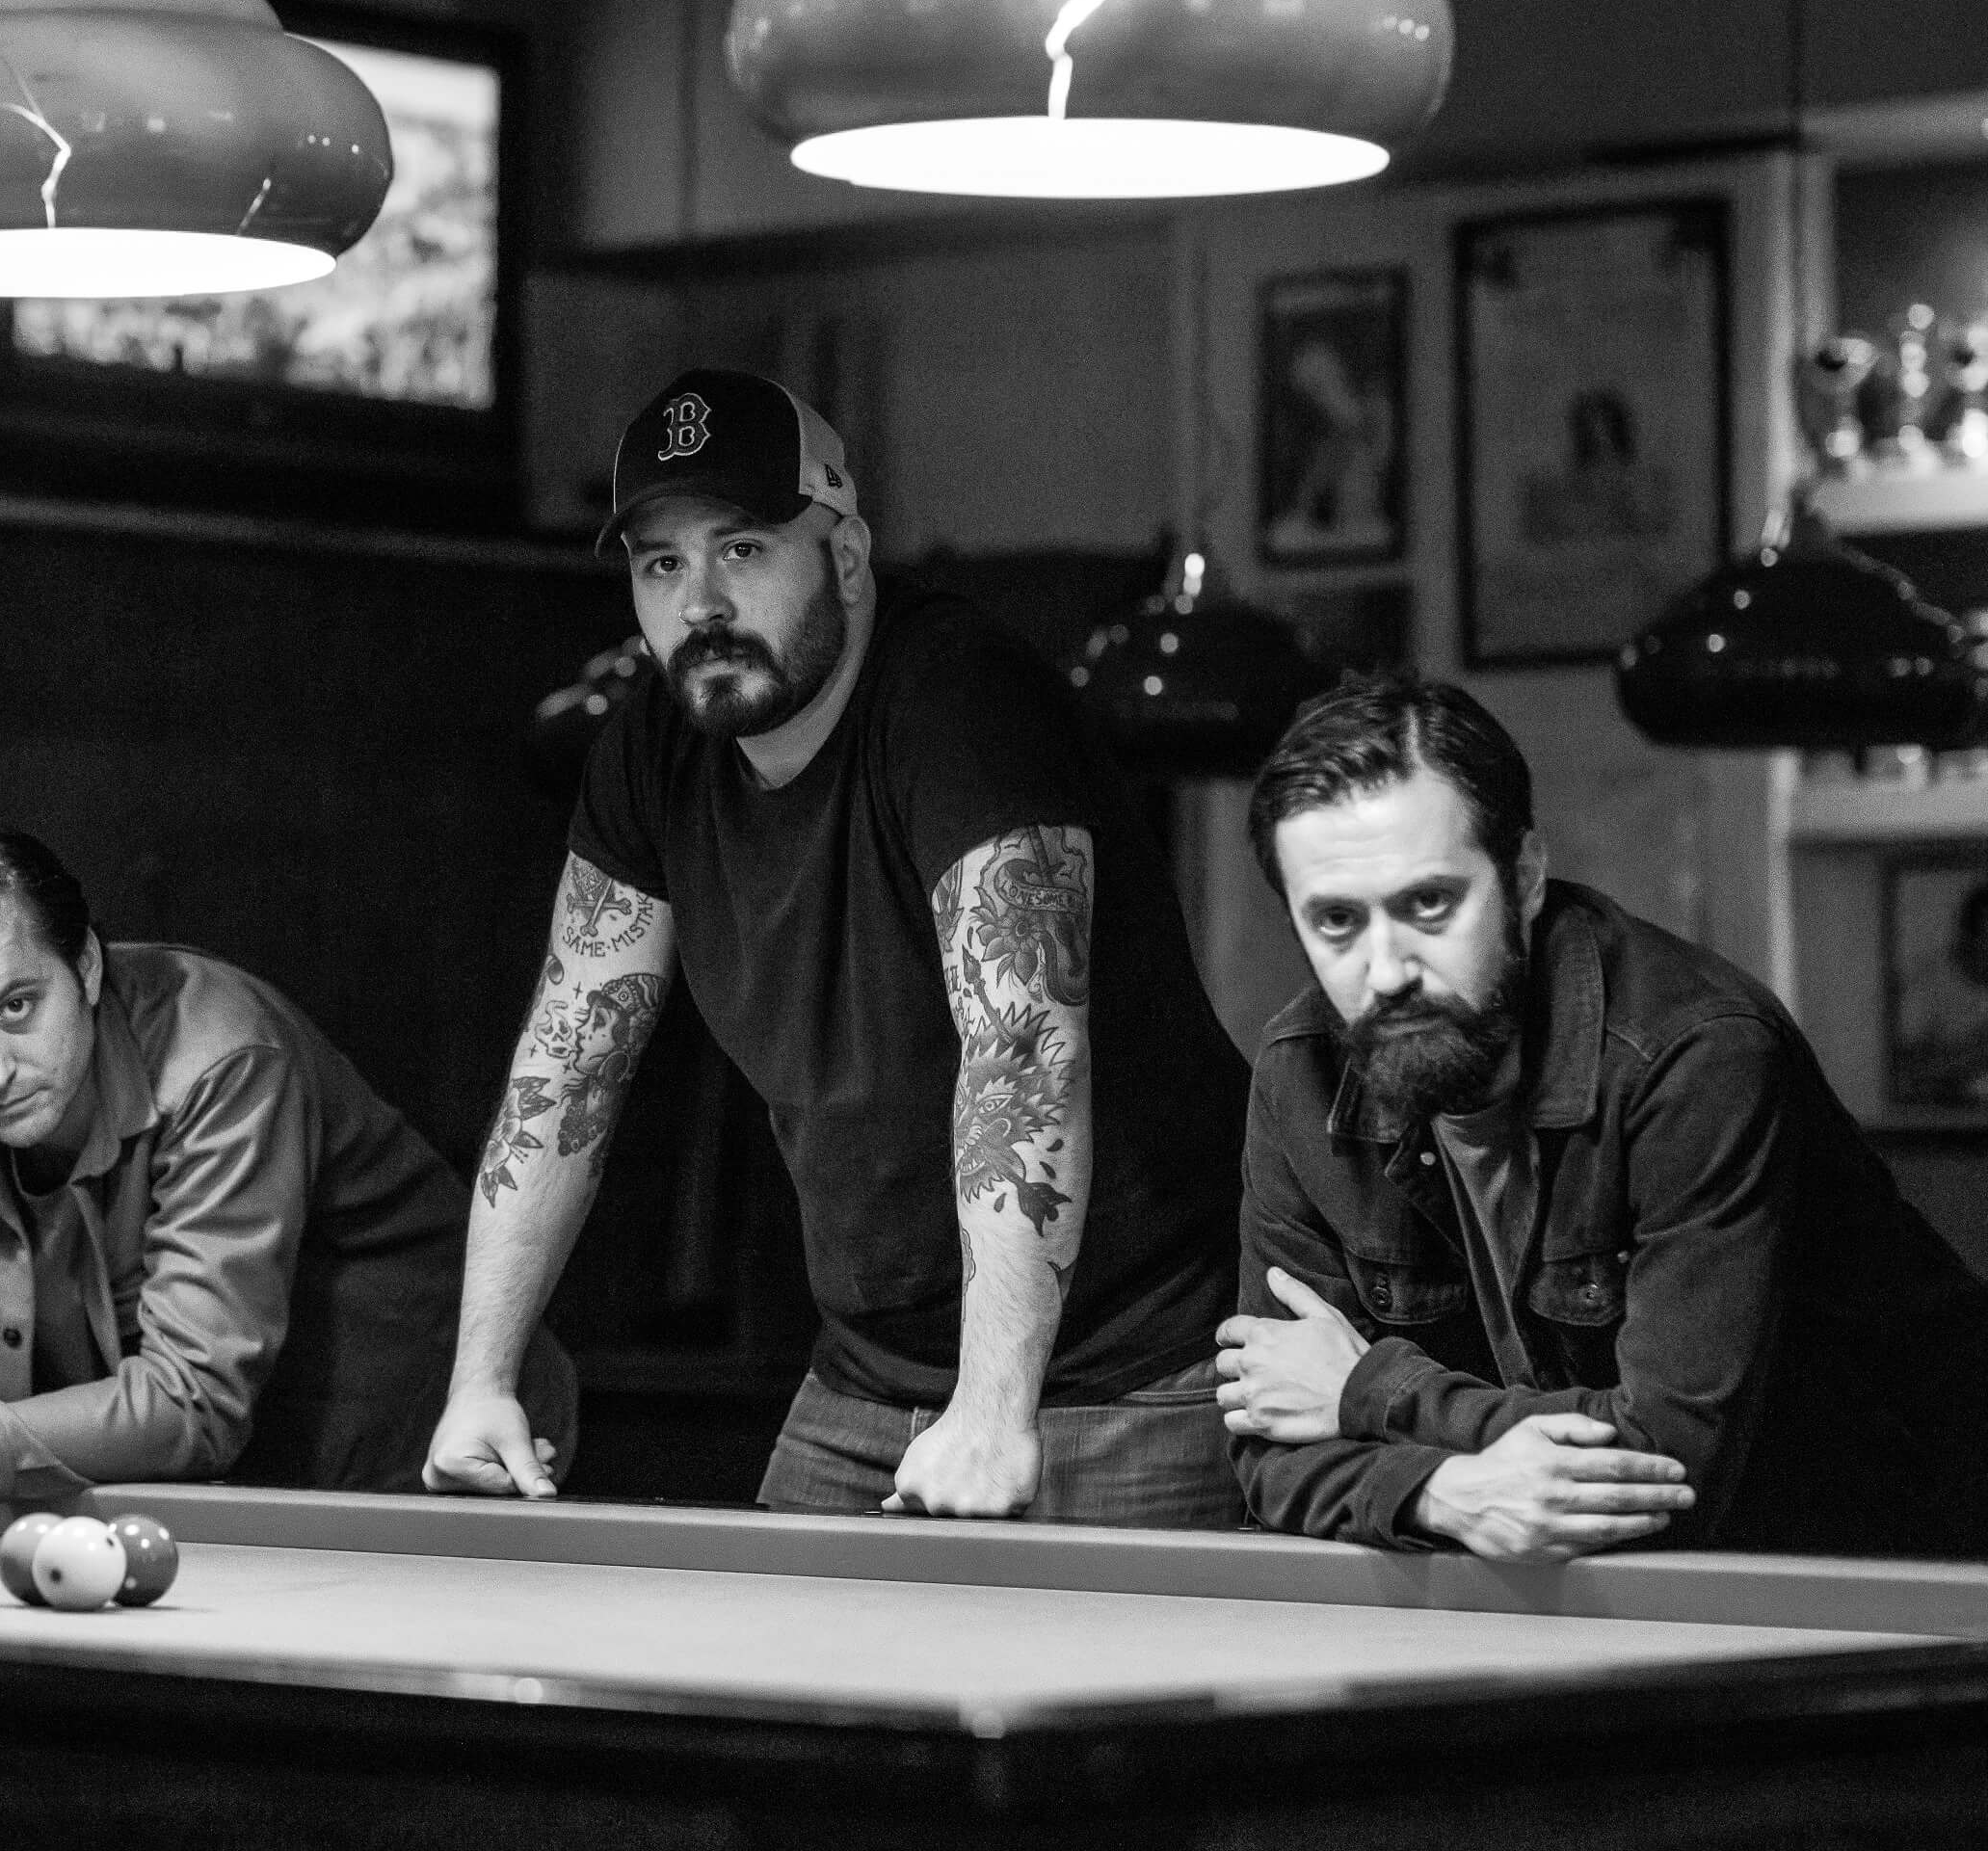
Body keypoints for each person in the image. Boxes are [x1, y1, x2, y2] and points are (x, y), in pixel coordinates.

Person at [427, 369, 1251, 1523]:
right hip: (869, 1374)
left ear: (847, 557)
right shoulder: (652, 746)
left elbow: (1023, 1051)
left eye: (743, 549)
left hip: (1134, 1370)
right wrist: (480, 1382)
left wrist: (993, 1408)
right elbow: (566, 1068)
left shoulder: (962, 699)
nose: (699, 603)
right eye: (661, 564)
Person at [1221, 674, 1988, 1557]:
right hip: (1611, 1573)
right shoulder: (1301, 1074)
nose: (1386, 971)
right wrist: (1441, 1493)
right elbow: (1270, 1443)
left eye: (1429, 904)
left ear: (1525, 877)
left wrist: (1370, 1392)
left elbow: (1668, 1463)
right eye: (1336, 922)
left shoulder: (1697, 1056)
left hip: (1902, 1553)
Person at [0, 813, 573, 1533]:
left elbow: (192, 1398)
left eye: (16, 1007)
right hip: (177, 1490)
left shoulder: (224, 1057)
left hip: (414, 1462)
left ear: (87, 968)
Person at [1889, 881, 1988, 1107]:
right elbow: (1899, 1072)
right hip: (1943, 1117)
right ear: (1968, 938)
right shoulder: (1927, 984)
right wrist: (1968, 1056)